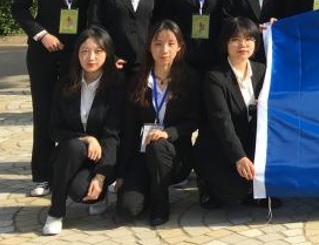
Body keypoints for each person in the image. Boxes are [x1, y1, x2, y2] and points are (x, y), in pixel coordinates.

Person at [13, 0, 96, 198]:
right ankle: (42, 175)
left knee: (78, 114)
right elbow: (20, 8)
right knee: (45, 113)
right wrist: (41, 34)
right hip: (44, 54)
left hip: (79, 56)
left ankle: (78, 170)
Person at [42, 27, 126, 235]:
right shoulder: (64, 84)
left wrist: (101, 176)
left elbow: (113, 135)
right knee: (73, 146)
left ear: (108, 53)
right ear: (77, 54)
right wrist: (86, 138)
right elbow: (54, 129)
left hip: (102, 158)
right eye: (84, 51)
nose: (91, 57)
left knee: (80, 192)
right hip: (69, 156)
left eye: (98, 51)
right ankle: (55, 212)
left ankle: (100, 192)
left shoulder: (116, 86)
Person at [117, 20, 201, 226]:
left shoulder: (190, 78)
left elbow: (195, 120)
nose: (164, 50)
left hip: (176, 154)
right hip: (142, 154)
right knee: (128, 208)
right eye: (158, 44)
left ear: (179, 47)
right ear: (149, 47)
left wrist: (168, 133)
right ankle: (148, 190)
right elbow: (129, 130)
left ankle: (160, 205)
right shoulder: (137, 81)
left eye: (171, 44)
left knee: (159, 146)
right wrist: (121, 174)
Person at [195, 18, 273, 209]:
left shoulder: (262, 71)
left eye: (249, 39)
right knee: (233, 195)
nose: (243, 44)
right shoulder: (215, 77)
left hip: (251, 143)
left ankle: (254, 188)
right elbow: (223, 123)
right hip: (221, 147)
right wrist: (240, 157)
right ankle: (207, 184)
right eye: (235, 39)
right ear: (225, 44)